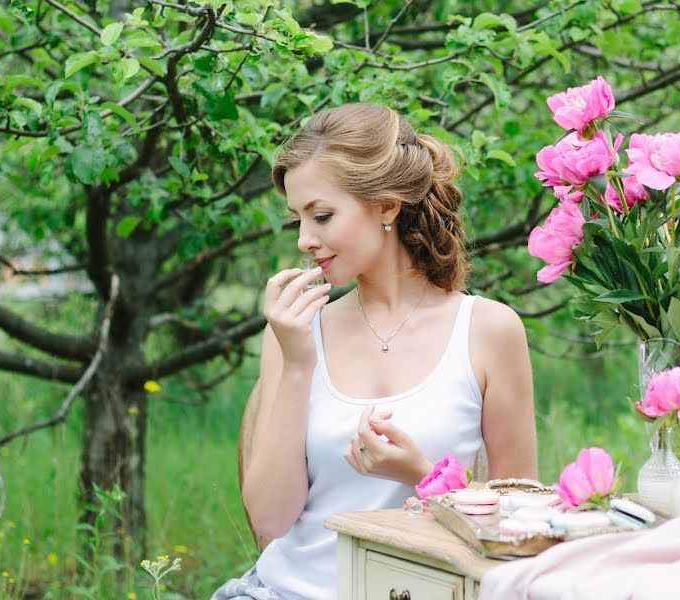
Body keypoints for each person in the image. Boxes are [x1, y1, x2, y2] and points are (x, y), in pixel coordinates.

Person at [212, 103, 537, 600]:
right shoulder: (295, 333)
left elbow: (521, 523)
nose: (304, 240)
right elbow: (271, 519)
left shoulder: (489, 330)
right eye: (297, 219)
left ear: (387, 206)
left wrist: (421, 476)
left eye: (321, 216)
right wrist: (298, 363)